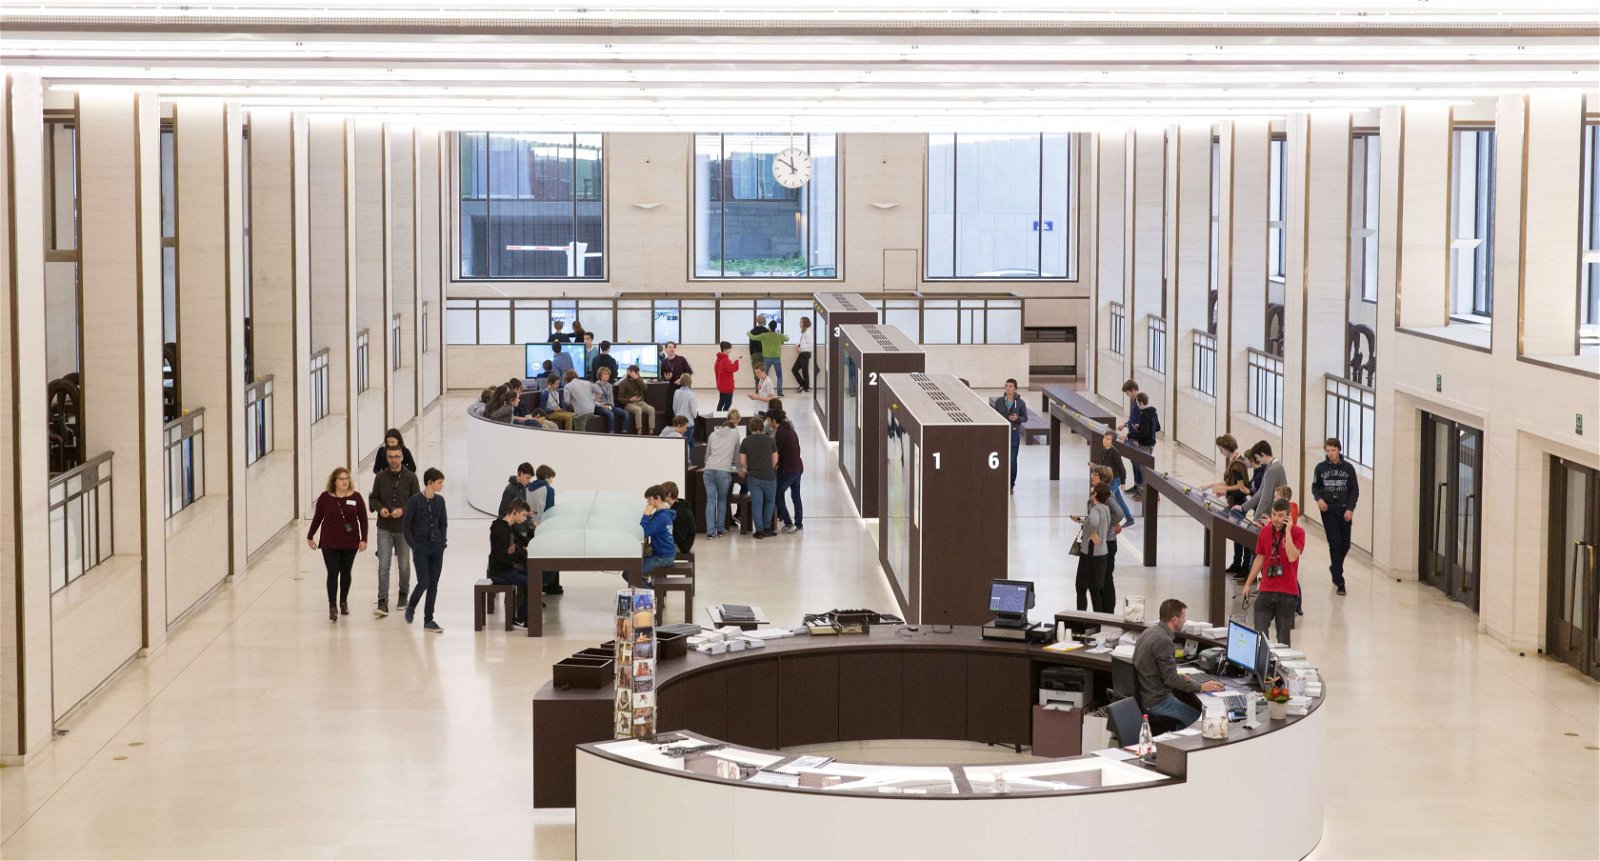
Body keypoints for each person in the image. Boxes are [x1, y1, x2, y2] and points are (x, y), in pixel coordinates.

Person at [1131, 599, 1227, 727]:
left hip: (1147, 697)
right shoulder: (1164, 641)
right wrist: (1202, 687)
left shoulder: (1147, 633)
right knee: (1201, 720)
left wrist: (1181, 678)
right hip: (1159, 702)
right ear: (1174, 619)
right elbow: (1171, 679)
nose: (1185, 620)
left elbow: (1157, 670)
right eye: (1183, 617)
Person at [308, 467, 369, 622]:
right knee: (333, 572)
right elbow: (317, 518)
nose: (344, 481)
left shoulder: (356, 497)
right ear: (334, 481)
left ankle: (343, 601)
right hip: (330, 541)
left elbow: (363, 519)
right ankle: (332, 606)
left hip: (350, 541)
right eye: (341, 479)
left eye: (347, 478)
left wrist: (364, 539)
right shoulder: (324, 498)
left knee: (346, 572)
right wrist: (310, 536)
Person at [1242, 498, 1306, 647]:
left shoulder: (1298, 533)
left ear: (1288, 516)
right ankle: (1262, 665)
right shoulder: (1265, 531)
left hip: (1287, 592)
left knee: (1283, 639)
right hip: (1266, 589)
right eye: (1274, 514)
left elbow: (1292, 556)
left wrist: (1288, 531)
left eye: (1281, 515)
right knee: (1260, 633)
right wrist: (1248, 583)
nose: (1276, 519)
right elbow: (1260, 557)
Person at [370, 446, 419, 616]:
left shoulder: (411, 478)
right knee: (383, 565)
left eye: (397, 456)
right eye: (390, 457)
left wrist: (403, 511)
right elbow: (373, 498)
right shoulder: (380, 477)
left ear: (402, 457)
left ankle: (403, 594)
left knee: (404, 565)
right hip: (384, 528)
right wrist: (380, 508)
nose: (394, 460)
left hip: (404, 529)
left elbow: (416, 501)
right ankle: (382, 601)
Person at [402, 467, 449, 633]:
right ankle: (411, 606)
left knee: (434, 584)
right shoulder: (415, 501)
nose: (441, 485)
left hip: (436, 547)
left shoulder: (440, 501)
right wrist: (414, 546)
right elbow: (406, 525)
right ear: (430, 482)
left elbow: (443, 523)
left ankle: (429, 619)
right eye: (439, 482)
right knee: (424, 581)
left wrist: (442, 542)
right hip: (421, 547)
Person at [1311, 437, 1358, 596]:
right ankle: (1339, 581)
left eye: (1333, 450)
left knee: (1345, 545)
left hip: (1345, 510)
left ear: (1339, 450)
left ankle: (1335, 567)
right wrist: (1319, 499)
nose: (1330, 453)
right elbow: (1315, 487)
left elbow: (1354, 490)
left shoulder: (1349, 468)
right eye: (1328, 450)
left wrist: (1350, 508)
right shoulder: (1320, 468)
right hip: (1328, 511)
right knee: (1335, 544)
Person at [1209, 434, 1253, 573]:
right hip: (1234, 503)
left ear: (1227, 448)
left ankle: (1242, 564)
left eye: (1221, 449)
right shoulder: (1234, 461)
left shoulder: (1237, 464)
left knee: (1238, 535)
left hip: (1238, 504)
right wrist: (1210, 485)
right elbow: (1229, 482)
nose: (1221, 452)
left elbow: (1239, 487)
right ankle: (1237, 562)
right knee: (1236, 536)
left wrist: (1224, 490)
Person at [488, 498, 532, 628]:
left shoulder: (508, 527)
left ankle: (522, 615)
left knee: (532, 577)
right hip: (500, 572)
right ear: (516, 512)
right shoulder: (501, 530)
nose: (524, 519)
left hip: (506, 568)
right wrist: (523, 552)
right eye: (523, 515)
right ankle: (523, 618)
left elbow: (523, 541)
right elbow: (504, 557)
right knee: (533, 581)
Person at [1090, 465, 1126, 613]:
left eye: (1095, 474)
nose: (1092, 476)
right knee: (1103, 577)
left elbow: (1119, 512)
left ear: (1103, 478)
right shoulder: (1098, 493)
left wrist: (1108, 525)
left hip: (1107, 542)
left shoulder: (1107, 495)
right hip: (1102, 541)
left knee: (1106, 578)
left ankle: (1108, 610)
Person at [702, 410, 742, 539]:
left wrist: (707, 466)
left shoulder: (713, 434)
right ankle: (720, 528)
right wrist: (739, 469)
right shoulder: (735, 433)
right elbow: (737, 454)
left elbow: (707, 455)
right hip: (723, 471)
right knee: (722, 500)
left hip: (708, 470)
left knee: (710, 501)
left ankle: (710, 531)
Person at [739, 416, 779, 538]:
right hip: (769, 476)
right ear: (762, 428)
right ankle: (767, 528)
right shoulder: (770, 440)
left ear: (750, 428)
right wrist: (769, 468)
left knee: (757, 503)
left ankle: (759, 531)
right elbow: (775, 459)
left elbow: (742, 461)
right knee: (770, 502)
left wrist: (748, 468)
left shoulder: (746, 441)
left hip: (754, 477)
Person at [1073, 485, 1111, 611]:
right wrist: (1082, 521)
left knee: (1080, 587)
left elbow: (1094, 523)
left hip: (1090, 553)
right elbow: (1096, 523)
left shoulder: (1095, 510)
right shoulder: (1105, 509)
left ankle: (1081, 617)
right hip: (1102, 552)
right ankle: (1098, 620)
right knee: (1095, 590)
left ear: (1095, 494)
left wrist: (1092, 533)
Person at [771, 407, 804, 534]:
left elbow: (776, 452)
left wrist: (773, 465)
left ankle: (788, 523)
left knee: (777, 494)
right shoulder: (790, 429)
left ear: (774, 421)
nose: (770, 423)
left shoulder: (780, 432)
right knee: (796, 495)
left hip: (789, 469)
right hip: (798, 467)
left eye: (770, 421)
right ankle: (799, 523)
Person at [992, 378, 1028, 494]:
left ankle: (1011, 484)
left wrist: (1017, 418)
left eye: (1010, 386)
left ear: (1015, 388)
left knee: (1012, 460)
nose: (1008, 388)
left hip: (1014, 434)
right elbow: (994, 416)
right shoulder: (999, 402)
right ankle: (1000, 482)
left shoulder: (1021, 403)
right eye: (1006, 386)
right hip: (1001, 434)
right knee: (1000, 459)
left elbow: (1025, 418)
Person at [1236, 441, 1286, 522]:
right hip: (1268, 514)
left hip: (1273, 516)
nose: (1257, 460)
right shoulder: (1269, 467)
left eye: (1257, 457)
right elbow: (1260, 492)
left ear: (1262, 454)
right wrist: (1243, 508)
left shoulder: (1274, 469)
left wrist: (1256, 519)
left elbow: (1266, 498)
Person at [639, 485, 677, 584]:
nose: (648, 502)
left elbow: (644, 532)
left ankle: (651, 594)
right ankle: (648, 584)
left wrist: (646, 515)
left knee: (631, 573)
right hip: (664, 553)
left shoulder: (661, 518)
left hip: (663, 557)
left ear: (658, 498)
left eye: (650, 499)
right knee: (634, 566)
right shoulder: (663, 515)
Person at [1098, 429, 1133, 527]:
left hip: (1115, 480)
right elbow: (1105, 465)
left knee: (1105, 497)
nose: (1105, 440)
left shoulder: (1115, 452)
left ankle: (1107, 520)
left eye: (1108, 439)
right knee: (1119, 500)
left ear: (1112, 441)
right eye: (1104, 437)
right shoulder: (1104, 450)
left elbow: (1121, 467)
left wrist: (1123, 482)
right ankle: (1130, 519)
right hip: (1109, 479)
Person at [1116, 380, 1144, 490]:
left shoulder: (1139, 402)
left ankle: (1140, 486)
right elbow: (1133, 418)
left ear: (1132, 390)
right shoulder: (1135, 401)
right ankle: (1137, 484)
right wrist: (1125, 424)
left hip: (1137, 438)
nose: (1127, 395)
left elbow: (1139, 421)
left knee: (1138, 462)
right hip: (1133, 435)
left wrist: (1135, 438)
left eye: (1127, 392)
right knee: (1133, 460)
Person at [660, 481, 696, 557]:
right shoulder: (679, 506)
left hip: (681, 546)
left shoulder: (679, 512)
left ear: (669, 494)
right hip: (683, 543)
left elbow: (680, 536)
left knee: (650, 551)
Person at [617, 364, 656, 434]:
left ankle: (651, 430)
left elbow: (645, 388)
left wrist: (636, 378)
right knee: (638, 410)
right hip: (629, 404)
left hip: (640, 402)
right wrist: (630, 400)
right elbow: (620, 398)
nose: (638, 374)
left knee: (651, 409)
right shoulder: (623, 383)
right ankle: (639, 430)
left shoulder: (638, 379)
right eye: (637, 373)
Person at [755, 325, 790, 396]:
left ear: (769, 327)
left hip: (767, 357)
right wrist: (785, 335)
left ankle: (762, 391)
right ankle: (779, 393)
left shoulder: (764, 335)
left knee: (763, 374)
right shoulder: (779, 335)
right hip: (776, 358)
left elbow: (753, 337)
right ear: (775, 327)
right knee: (779, 375)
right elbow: (787, 339)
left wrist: (748, 333)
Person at [593, 365, 629, 433]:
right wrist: (602, 406)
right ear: (600, 376)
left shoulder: (609, 385)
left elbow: (611, 399)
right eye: (605, 374)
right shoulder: (595, 386)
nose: (607, 376)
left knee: (625, 413)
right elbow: (594, 401)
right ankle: (611, 433)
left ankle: (624, 432)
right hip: (599, 407)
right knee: (610, 414)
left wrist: (612, 407)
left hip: (609, 406)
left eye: (608, 374)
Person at [671, 373, 699, 449]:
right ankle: (687, 460)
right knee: (684, 447)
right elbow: (693, 413)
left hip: (677, 422)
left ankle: (689, 460)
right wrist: (694, 416)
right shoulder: (691, 395)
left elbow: (674, 408)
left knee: (691, 444)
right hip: (688, 424)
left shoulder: (676, 392)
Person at [713, 341, 740, 411]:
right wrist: (737, 361)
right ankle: (724, 414)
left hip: (721, 385)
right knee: (728, 402)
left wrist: (730, 362)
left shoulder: (719, 359)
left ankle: (718, 415)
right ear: (725, 349)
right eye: (729, 349)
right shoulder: (725, 360)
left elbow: (724, 368)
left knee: (721, 401)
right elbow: (733, 369)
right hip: (727, 386)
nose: (730, 350)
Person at [792, 316, 814, 393]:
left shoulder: (808, 332)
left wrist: (800, 348)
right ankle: (804, 386)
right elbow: (805, 342)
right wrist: (799, 345)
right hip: (803, 353)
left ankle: (805, 386)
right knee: (797, 370)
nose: (800, 323)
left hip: (805, 353)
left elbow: (810, 344)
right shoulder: (805, 331)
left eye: (801, 322)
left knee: (801, 370)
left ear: (805, 323)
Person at [747, 315, 769, 385]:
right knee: (764, 371)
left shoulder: (752, 331)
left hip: (755, 354)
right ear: (764, 321)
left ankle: (758, 388)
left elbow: (751, 345)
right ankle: (764, 387)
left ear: (757, 321)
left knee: (756, 371)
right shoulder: (767, 331)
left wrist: (752, 354)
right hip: (765, 353)